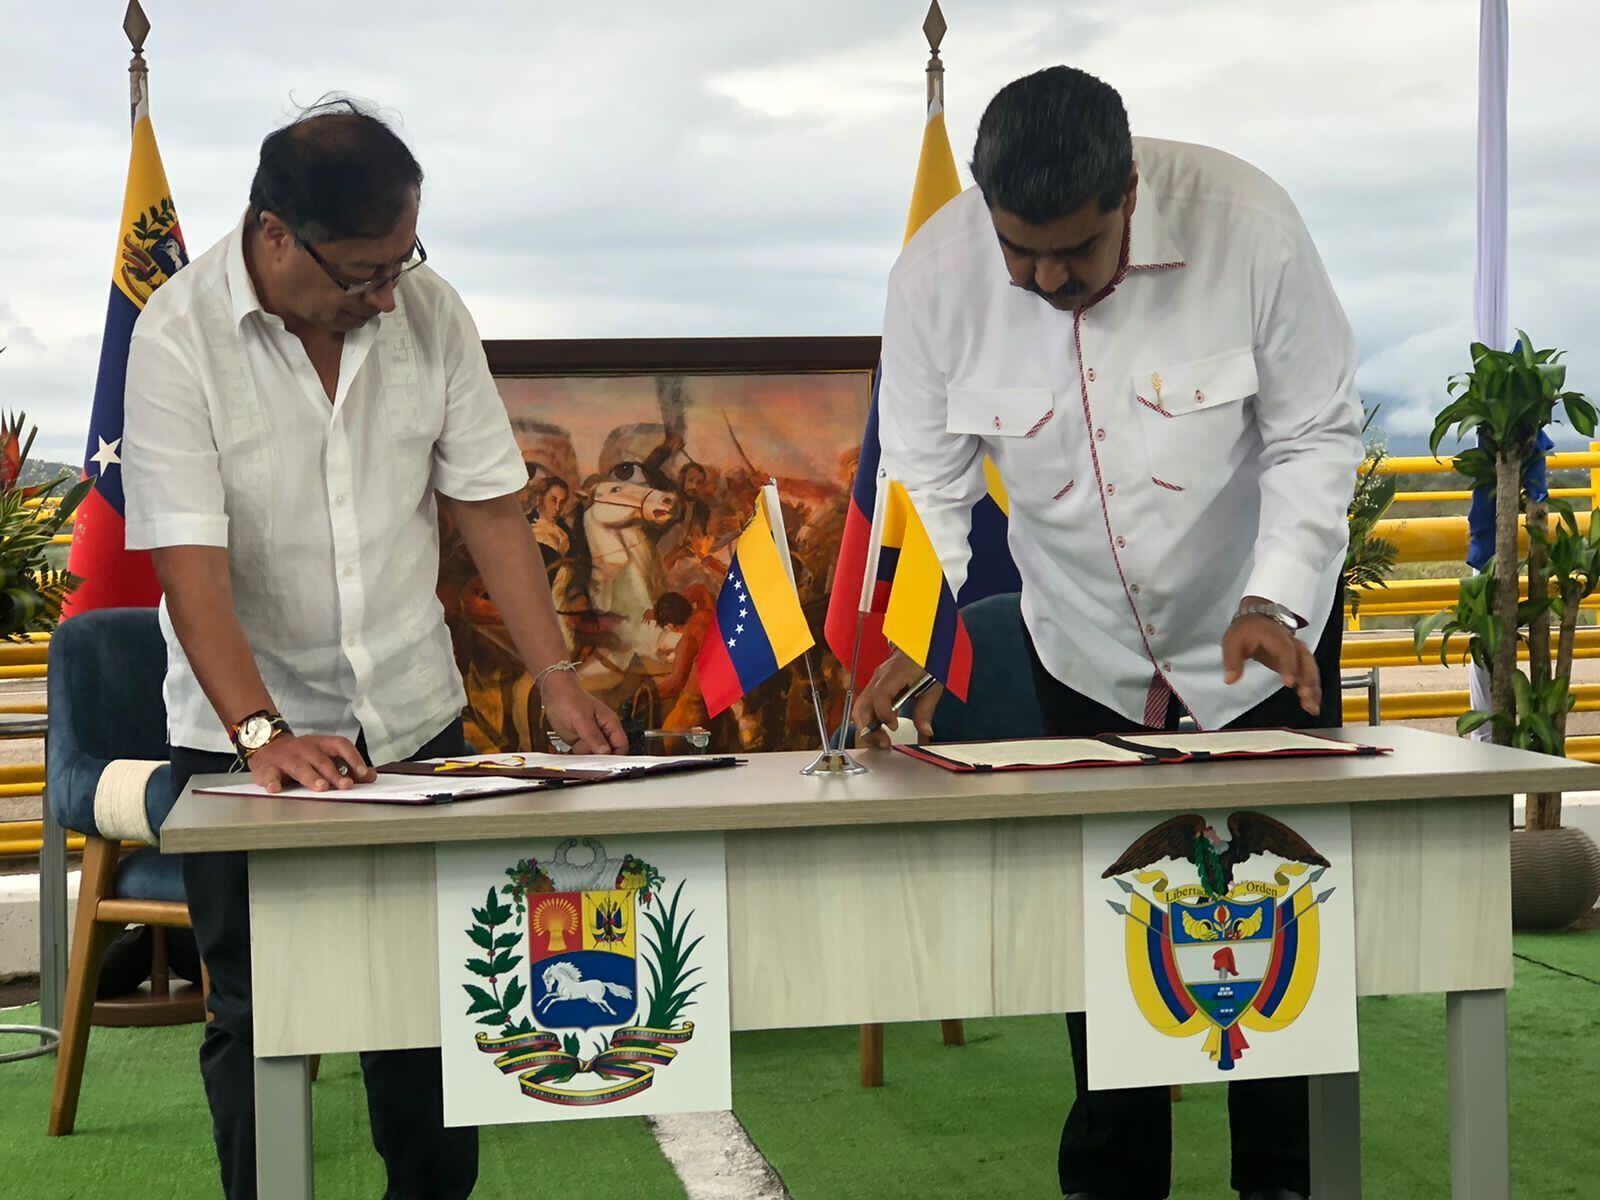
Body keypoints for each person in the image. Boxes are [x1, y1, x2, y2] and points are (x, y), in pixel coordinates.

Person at [852, 66, 1362, 1200]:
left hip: (1259, 643)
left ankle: (1283, 1182)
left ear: (1128, 189)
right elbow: (926, 477)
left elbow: (1314, 434)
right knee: (1118, 935)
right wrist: (922, 627)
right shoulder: (934, 275)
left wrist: (1277, 599)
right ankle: (1115, 1182)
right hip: (1077, 645)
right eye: (1017, 251)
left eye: (1072, 254)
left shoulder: (1249, 226)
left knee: (1273, 933)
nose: (1041, 279)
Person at [121, 99, 627, 1200]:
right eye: (362, 273)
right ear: (274, 236)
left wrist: (556, 679)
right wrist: (262, 733)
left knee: (433, 999)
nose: (387, 294)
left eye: (403, 261)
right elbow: (187, 561)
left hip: (411, 714)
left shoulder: (429, 312)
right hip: (239, 739)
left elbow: (490, 507)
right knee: (258, 1008)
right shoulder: (176, 335)